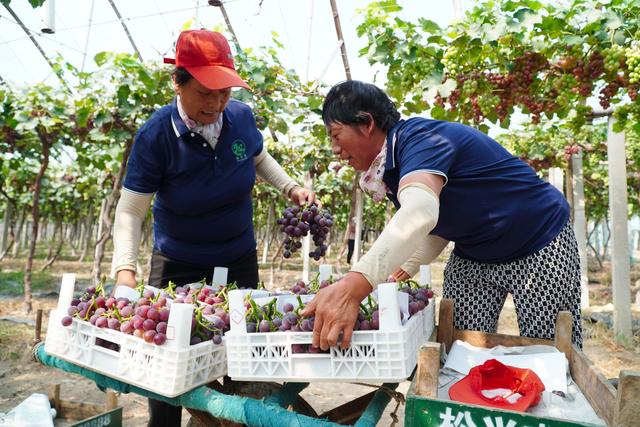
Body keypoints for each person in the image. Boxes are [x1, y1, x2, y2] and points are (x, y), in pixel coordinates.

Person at [111, 30, 314, 427]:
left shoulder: (238, 116)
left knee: (242, 358)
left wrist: (290, 186)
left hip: (237, 256)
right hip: (179, 263)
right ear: (178, 82)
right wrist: (125, 273)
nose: (217, 103)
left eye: (224, 92)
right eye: (206, 92)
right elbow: (131, 211)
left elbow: (258, 157)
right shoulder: (156, 136)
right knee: (168, 371)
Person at [302, 80, 582, 353]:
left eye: (336, 135)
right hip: (475, 253)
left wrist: (354, 285)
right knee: (460, 347)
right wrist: (399, 271)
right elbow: (436, 225)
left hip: (539, 241)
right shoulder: (392, 167)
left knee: (549, 352)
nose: (335, 150)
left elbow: (420, 211)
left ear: (367, 123)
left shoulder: (420, 139)